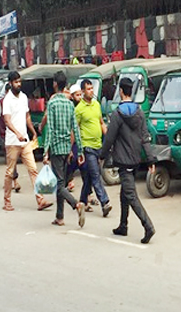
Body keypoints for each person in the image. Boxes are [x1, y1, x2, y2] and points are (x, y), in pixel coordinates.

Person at [101, 78, 157, 242]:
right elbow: (145, 138)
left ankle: (148, 226)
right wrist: (150, 160)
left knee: (131, 195)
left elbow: (109, 138)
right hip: (135, 159)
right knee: (124, 193)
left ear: (120, 91)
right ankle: (123, 226)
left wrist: (102, 156)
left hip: (123, 161)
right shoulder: (139, 112)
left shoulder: (118, 114)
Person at [2, 71, 52, 211]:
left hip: (25, 141)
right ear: (10, 83)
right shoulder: (7, 100)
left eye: (19, 81)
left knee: (33, 170)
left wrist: (33, 132)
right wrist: (17, 133)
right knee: (10, 172)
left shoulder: (24, 97)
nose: (19, 84)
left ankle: (40, 200)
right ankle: (7, 201)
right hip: (12, 142)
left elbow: (27, 116)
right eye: (16, 82)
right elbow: (7, 120)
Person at [42, 71, 86, 228]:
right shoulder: (69, 104)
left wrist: (45, 150)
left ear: (55, 84)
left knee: (59, 185)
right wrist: (79, 150)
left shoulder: (52, 104)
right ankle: (59, 216)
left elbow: (50, 129)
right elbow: (75, 128)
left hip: (56, 148)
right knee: (61, 181)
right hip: (67, 148)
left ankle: (76, 205)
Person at [75, 78, 112, 217]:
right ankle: (105, 202)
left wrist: (109, 137)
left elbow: (101, 123)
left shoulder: (96, 105)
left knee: (90, 177)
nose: (91, 91)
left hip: (98, 145)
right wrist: (77, 150)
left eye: (92, 88)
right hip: (87, 147)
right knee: (96, 175)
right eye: (88, 89)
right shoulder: (79, 109)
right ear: (83, 91)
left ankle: (82, 202)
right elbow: (75, 129)